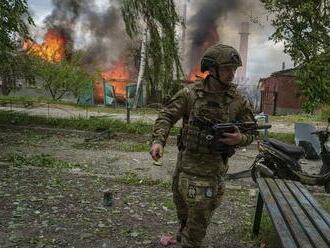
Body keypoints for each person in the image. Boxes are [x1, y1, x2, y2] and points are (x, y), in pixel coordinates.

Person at [150, 43, 255, 247]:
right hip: (185, 169)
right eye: (226, 69)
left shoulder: (237, 101)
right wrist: (158, 141)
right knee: (184, 213)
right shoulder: (190, 94)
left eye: (234, 69)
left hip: (211, 174)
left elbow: (251, 131)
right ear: (211, 69)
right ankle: (183, 235)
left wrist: (239, 139)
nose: (231, 74)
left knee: (196, 228)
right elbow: (167, 116)